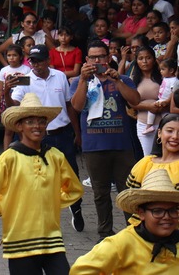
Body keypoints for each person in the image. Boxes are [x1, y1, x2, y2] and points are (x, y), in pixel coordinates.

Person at [0, 93, 83, 275]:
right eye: (30, 122)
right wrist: (6, 208)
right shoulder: (9, 157)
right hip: (20, 241)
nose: (37, 126)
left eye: (41, 121)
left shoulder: (55, 156)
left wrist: (51, 203)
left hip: (52, 239)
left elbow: (75, 190)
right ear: (19, 126)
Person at [8, 44, 86, 232]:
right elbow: (14, 105)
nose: (36, 64)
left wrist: (77, 133)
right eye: (33, 61)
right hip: (38, 136)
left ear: (48, 61)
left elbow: (69, 105)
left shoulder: (59, 76)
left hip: (62, 132)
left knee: (71, 173)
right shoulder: (25, 79)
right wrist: (5, 90)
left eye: (40, 60)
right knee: (40, 176)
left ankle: (76, 208)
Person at [71, 40, 142, 239]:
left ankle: (134, 232)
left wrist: (117, 80)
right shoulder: (79, 81)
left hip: (121, 145)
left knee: (127, 191)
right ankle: (105, 232)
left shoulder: (123, 78)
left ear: (108, 57)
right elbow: (76, 107)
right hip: (94, 146)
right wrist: (84, 80)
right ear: (86, 60)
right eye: (93, 57)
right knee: (100, 193)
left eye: (101, 56)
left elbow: (135, 101)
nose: (97, 60)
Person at [71, 169, 179, 273]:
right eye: (158, 211)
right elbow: (80, 270)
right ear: (141, 213)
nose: (166, 217)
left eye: (173, 210)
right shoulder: (122, 243)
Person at [145, 60, 178, 135]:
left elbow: (173, 93)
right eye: (160, 69)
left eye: (163, 69)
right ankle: (163, 128)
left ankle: (149, 126)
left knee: (152, 108)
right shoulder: (166, 78)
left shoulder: (174, 81)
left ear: (171, 70)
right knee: (165, 117)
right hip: (162, 99)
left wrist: (167, 101)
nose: (161, 71)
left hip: (165, 101)